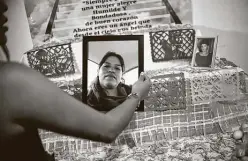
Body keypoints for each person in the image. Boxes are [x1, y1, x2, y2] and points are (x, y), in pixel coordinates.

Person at [0, 1, 151, 161]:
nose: (4, 6)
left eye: (117, 68)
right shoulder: (9, 80)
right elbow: (108, 129)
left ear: (123, 75)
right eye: (106, 66)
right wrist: (136, 95)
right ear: (98, 71)